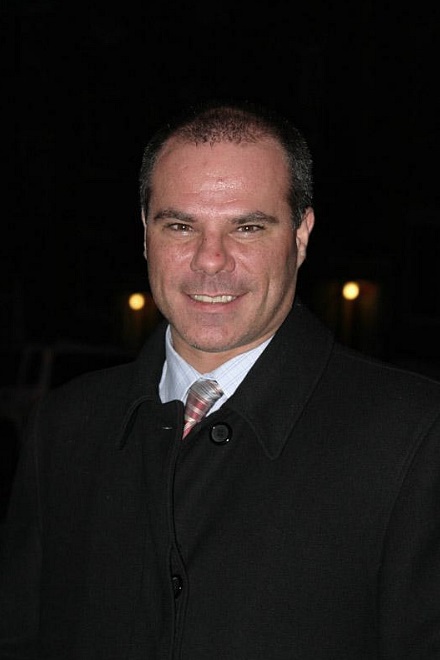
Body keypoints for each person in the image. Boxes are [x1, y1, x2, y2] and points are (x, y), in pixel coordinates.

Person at [1, 100, 440, 660]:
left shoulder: (414, 438)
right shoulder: (64, 427)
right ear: (144, 234)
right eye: (181, 226)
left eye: (248, 227)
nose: (210, 261)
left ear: (301, 235)